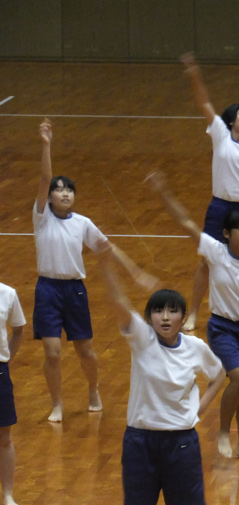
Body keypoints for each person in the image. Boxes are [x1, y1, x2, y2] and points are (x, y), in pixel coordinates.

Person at [97, 248, 225, 505]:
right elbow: (118, 302)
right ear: (150, 317)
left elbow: (220, 375)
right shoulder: (140, 339)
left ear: (184, 317)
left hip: (181, 444)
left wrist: (198, 410)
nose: (165, 317)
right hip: (139, 443)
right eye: (158, 311)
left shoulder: (196, 348)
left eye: (172, 311)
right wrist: (105, 262)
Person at [149, 172, 239, 463]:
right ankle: (223, 431)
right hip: (222, 328)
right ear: (226, 233)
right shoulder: (215, 252)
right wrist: (164, 194)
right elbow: (186, 223)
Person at [33, 119, 154, 423]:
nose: (64, 194)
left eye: (69, 191)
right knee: (52, 353)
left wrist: (134, 271)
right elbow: (45, 175)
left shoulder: (82, 223)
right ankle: (57, 403)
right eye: (58, 191)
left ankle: (93, 390)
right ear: (48, 197)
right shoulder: (41, 217)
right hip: (47, 290)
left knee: (85, 351)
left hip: (74, 290)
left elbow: (107, 247)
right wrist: (46, 144)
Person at [180, 52, 239, 331]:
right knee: (206, 262)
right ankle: (196, 313)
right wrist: (194, 73)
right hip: (219, 207)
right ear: (231, 120)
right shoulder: (220, 133)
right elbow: (204, 102)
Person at [0, 281, 25, 505]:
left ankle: (7, 495)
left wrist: (7, 359)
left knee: (4, 437)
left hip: (0, 371)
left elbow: (18, 330)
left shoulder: (7, 294)